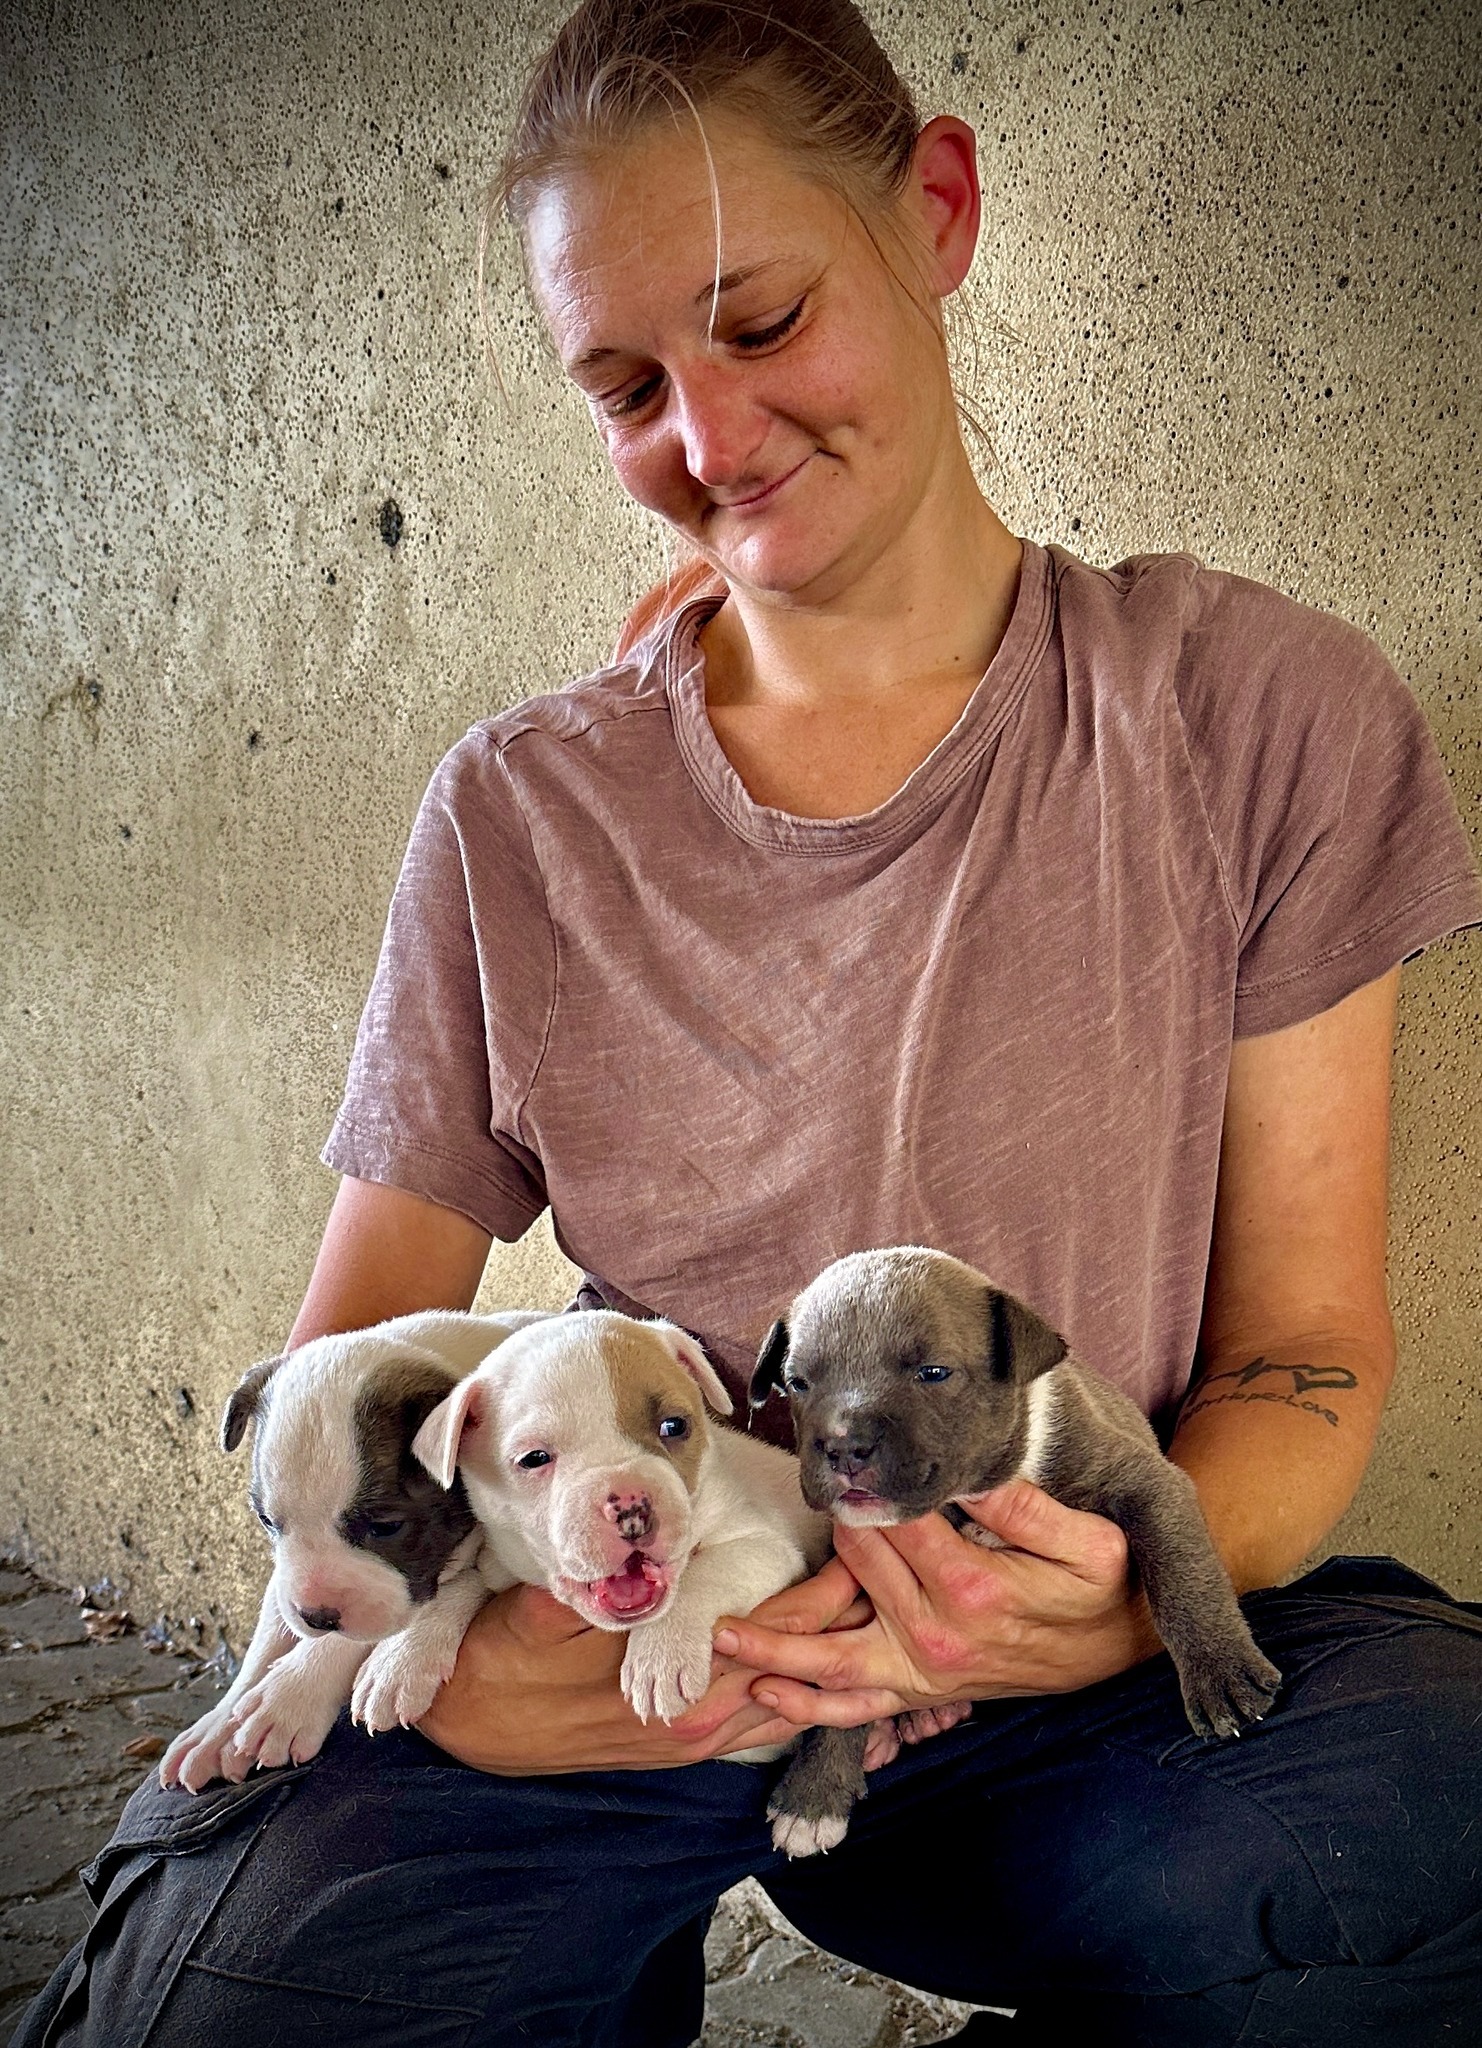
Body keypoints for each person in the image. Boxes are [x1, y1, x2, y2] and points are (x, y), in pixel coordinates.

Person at [17, 3, 1482, 2044]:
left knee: (1414, 1840)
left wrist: (1117, 1591)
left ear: (938, 212)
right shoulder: (519, 812)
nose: (705, 443)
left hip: (1070, 1701)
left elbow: (1306, 1347)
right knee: (219, 2004)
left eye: (764, 321)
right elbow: (338, 1374)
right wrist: (472, 1638)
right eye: (625, 383)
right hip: (612, 1648)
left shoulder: (1263, 718)